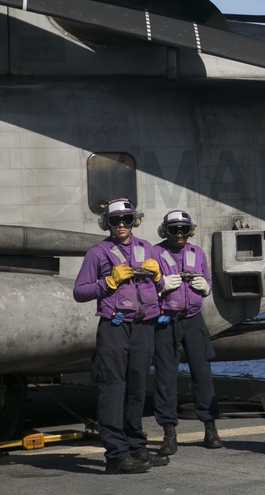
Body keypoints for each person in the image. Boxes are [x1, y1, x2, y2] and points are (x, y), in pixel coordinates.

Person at [73, 197, 170, 475]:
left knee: (137, 387)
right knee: (113, 389)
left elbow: (161, 286)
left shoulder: (147, 248)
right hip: (114, 327)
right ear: (108, 224)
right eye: (116, 221)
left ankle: (137, 448)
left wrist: (157, 276)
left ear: (134, 220)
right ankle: (116, 455)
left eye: (127, 220)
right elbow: (80, 291)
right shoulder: (97, 253)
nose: (122, 225)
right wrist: (108, 282)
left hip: (144, 326)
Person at [152, 209, 223, 455]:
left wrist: (206, 288)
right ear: (165, 231)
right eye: (174, 230)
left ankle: (210, 429)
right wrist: (160, 287)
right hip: (165, 321)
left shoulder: (197, 253)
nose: (179, 234)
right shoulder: (155, 254)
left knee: (203, 375)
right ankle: (169, 433)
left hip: (194, 320)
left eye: (183, 229)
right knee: (165, 379)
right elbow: (144, 288)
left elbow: (208, 280)